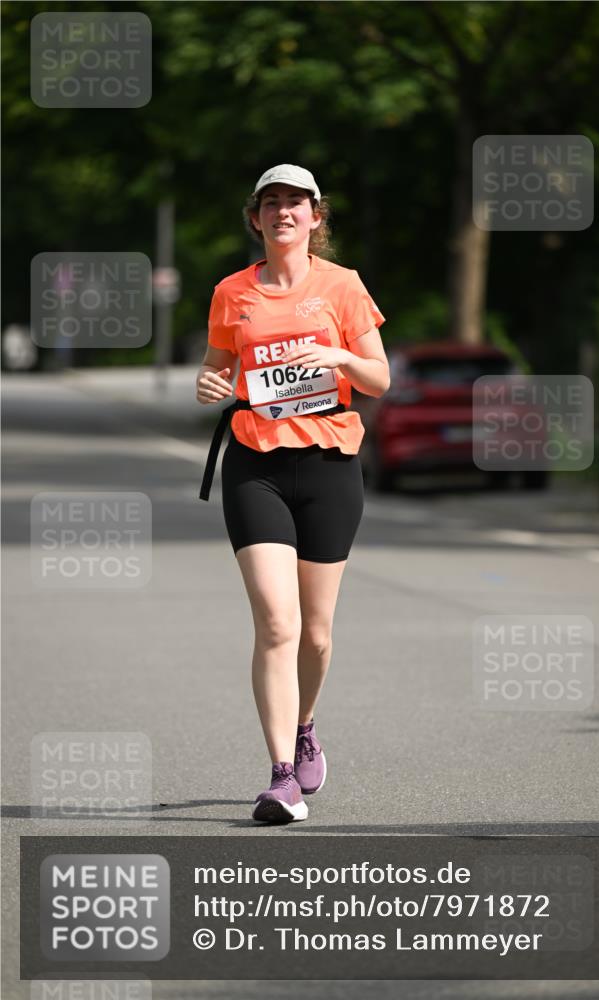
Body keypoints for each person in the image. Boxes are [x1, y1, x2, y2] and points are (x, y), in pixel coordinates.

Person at [196, 164, 389, 824]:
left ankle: (306, 726)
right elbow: (217, 369)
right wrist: (209, 385)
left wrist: (339, 359)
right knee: (277, 623)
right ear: (255, 218)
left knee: (316, 632)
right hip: (255, 464)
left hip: (330, 463)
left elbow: (379, 378)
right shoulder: (231, 292)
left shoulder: (342, 286)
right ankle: (282, 777)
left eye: (295, 203)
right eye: (271, 202)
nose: (283, 212)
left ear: (315, 217)